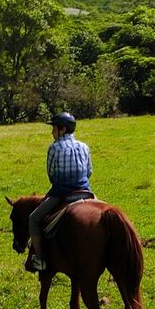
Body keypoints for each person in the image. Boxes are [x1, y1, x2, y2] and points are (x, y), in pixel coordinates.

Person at [26, 111, 93, 272]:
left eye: (53, 128)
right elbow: (89, 171)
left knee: (33, 219)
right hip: (85, 192)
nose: (52, 132)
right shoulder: (84, 146)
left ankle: (40, 259)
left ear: (61, 129)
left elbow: (51, 174)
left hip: (62, 194)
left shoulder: (54, 148)